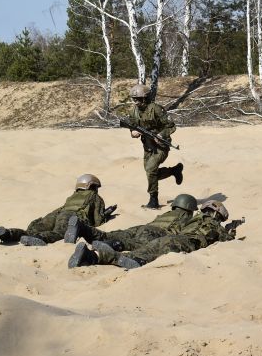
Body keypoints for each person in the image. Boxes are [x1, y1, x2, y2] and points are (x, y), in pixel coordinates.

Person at [68, 200, 238, 269]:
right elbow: (227, 240)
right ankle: (99, 256)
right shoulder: (215, 226)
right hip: (185, 242)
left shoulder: (194, 219)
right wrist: (231, 231)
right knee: (141, 254)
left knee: (128, 241)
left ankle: (94, 254)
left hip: (169, 236)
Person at [0, 174, 107, 247]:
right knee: (59, 233)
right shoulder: (94, 196)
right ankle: (40, 238)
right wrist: (106, 214)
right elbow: (97, 220)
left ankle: (8, 233)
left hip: (56, 214)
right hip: (72, 216)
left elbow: (64, 207)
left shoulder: (72, 196)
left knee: (29, 231)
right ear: (92, 186)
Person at [64, 193, 198, 252]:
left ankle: (83, 228)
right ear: (190, 208)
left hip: (142, 227)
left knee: (109, 235)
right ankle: (112, 245)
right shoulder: (187, 217)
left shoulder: (167, 214)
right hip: (157, 233)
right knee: (135, 244)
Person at [127, 83, 183, 209]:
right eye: (134, 99)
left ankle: (153, 200)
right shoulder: (133, 112)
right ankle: (174, 171)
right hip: (147, 146)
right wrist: (133, 132)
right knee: (150, 173)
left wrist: (161, 135)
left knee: (150, 169)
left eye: (138, 99)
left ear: (145, 98)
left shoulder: (156, 109)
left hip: (161, 146)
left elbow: (171, 126)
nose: (135, 102)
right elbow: (132, 126)